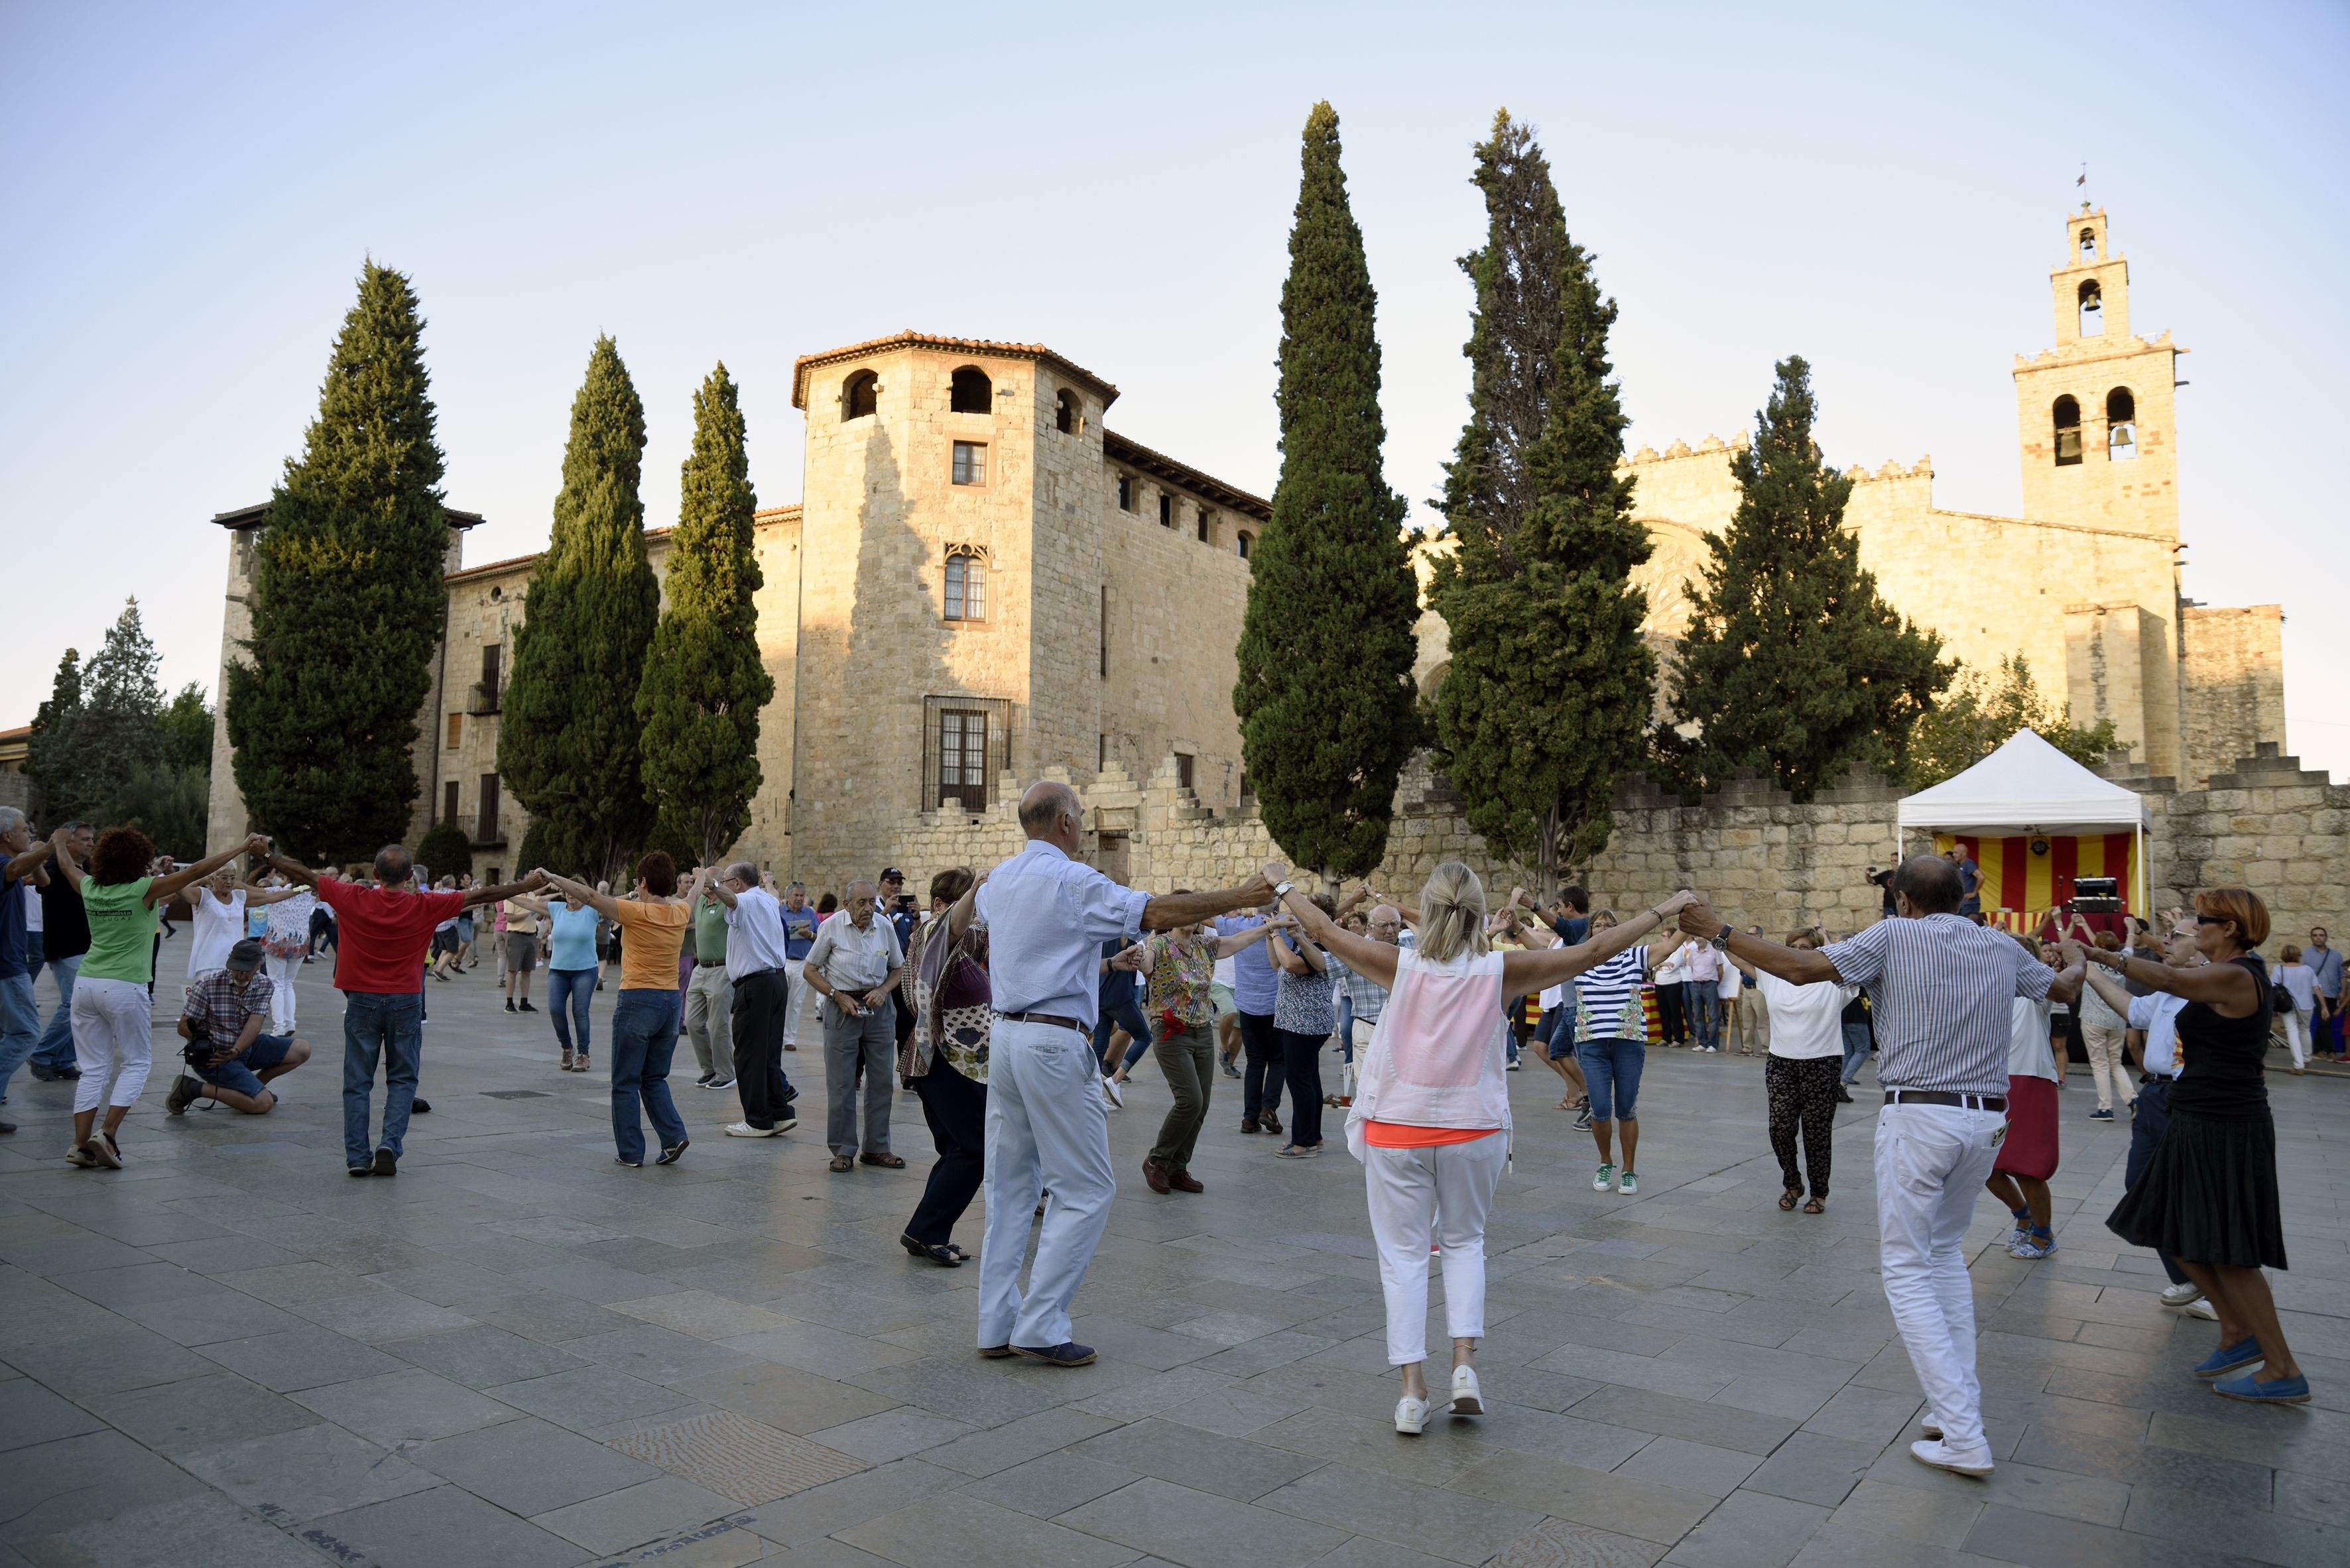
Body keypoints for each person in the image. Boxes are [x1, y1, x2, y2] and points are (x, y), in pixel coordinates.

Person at [1679, 855, 2082, 1477]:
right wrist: (2079, 955)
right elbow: (2063, 987)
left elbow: (1801, 966)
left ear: (1904, 901)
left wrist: (1719, 930)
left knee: (1905, 1269)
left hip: (1921, 1116)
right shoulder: (1997, 945)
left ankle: (1966, 1433)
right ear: (1961, 897)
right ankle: (1956, 1410)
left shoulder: (1893, 935)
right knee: (1944, 1254)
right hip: (1984, 1119)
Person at [1272, 861, 1696, 1433]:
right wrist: (1664, 910)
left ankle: (1412, 1392)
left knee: (1402, 1258)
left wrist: (1282, 885)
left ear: (1427, 909)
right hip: (1473, 1129)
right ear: (1478, 913)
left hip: (1398, 1127)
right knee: (1465, 1243)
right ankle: (1464, 1366)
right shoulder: (1502, 971)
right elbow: (1594, 952)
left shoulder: (1400, 963)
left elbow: (1324, 931)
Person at [973, 782, 1270, 1366]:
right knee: (1084, 1187)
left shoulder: (1001, 879)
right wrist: (1241, 893)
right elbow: (1154, 912)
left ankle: (995, 1321)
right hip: (1055, 1041)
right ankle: (1040, 1322)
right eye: (1079, 818)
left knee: (1009, 1186)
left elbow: (1033, 941)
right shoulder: (1073, 880)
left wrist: (1102, 961)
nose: (1082, 827)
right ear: (1064, 822)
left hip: (1006, 1034)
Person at [2094, 888, 2310, 1403]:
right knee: (2170, 1227)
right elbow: (2164, 988)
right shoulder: (2222, 973)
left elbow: (2169, 977)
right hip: (2196, 1116)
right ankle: (2237, 1333)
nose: (2199, 928)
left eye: (2203, 922)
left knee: (2231, 1251)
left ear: (2230, 928)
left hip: (2224, 1122)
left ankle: (2281, 1367)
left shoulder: (2240, 975)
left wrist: (2102, 954)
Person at [254, 844, 537, 1175]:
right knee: (403, 1079)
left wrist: (269, 856)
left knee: (357, 1081)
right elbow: (481, 895)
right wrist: (524, 886)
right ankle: (389, 1143)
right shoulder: (426, 904)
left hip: (361, 1000)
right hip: (405, 1000)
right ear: (409, 877)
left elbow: (307, 876)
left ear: (375, 875)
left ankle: (358, 1158)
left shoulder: (352, 897)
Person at [46, 828, 270, 1166]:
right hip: (124, 986)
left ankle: (79, 1144)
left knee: (94, 1069)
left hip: (86, 984)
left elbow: (67, 868)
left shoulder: (90, 887)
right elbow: (194, 872)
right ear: (139, 861)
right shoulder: (143, 890)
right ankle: (105, 1134)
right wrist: (241, 847)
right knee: (136, 1063)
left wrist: (59, 843)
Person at [2076, 914, 2213, 1316]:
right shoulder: (2172, 989)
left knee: (2187, 1193)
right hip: (2155, 1095)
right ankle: (2188, 1279)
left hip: (2185, 1096)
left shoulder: (2206, 984)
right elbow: (2134, 1011)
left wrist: (2101, 957)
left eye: (2176, 936)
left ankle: (2212, 1287)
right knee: (2140, 1186)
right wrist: (2089, 972)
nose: (2165, 941)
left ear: (2202, 943)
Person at [1117, 911, 1292, 1195]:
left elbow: (1238, 941)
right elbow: (1147, 962)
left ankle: (1177, 1168)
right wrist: (1139, 956)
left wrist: (1271, 927)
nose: (1192, 917)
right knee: (1190, 1100)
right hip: (1171, 1032)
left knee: (1203, 1105)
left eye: (1196, 912)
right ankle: (1157, 1161)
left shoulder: (1204, 945)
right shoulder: (1159, 946)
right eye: (1188, 910)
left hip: (1201, 1032)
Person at [536, 860, 692, 1166]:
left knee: (625, 1081)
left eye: (636, 882)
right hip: (671, 1003)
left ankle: (631, 1152)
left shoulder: (636, 911)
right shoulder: (679, 912)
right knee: (655, 1076)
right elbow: (694, 896)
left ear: (644, 882)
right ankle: (673, 1137)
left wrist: (555, 877)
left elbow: (591, 897)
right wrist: (700, 880)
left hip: (638, 1000)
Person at [1569, 910, 1692, 1195]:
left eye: (1610, 925)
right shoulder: (1579, 958)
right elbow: (1541, 955)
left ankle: (1628, 1170)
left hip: (1628, 1041)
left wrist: (1690, 924)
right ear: (1590, 932)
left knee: (1626, 1109)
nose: (1603, 929)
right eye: (1597, 925)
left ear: (1620, 930)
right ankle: (1605, 1162)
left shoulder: (1635, 956)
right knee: (1600, 1110)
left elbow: (1669, 947)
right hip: (1591, 1042)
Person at [1733, 928, 1855, 1214]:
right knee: (1780, 1128)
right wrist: (1716, 936)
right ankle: (1793, 1183)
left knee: (1816, 1133)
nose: (1798, 951)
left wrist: (1826, 943)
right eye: (1793, 947)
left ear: (1816, 952)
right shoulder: (1774, 977)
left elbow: (1846, 962)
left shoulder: (1833, 981)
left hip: (1822, 1063)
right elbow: (1739, 959)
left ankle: (1819, 1192)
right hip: (1781, 1062)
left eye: (1805, 947)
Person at [900, 868, 987, 1264]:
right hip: (943, 1059)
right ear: (938, 904)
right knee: (973, 1150)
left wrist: (1106, 965)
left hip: (960, 1062)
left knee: (957, 1149)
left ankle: (925, 1231)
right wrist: (974, 890)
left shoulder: (968, 940)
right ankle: (927, 1231)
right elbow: (953, 925)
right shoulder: (930, 934)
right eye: (963, 901)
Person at [800, 879, 906, 1172]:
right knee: (842, 1082)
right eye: (862, 903)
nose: (868, 908)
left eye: (872, 902)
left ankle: (876, 1148)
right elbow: (810, 970)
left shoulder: (884, 927)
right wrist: (837, 995)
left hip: (878, 1009)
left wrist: (884, 990)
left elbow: (898, 967)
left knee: (883, 1080)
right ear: (847, 905)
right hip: (842, 1007)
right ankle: (843, 1149)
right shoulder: (832, 927)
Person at [692, 862, 797, 1138]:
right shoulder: (767, 899)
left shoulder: (746, 900)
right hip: (776, 981)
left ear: (737, 883)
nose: (723, 885)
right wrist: (770, 883)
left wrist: (710, 882)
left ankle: (757, 1120)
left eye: (727, 880)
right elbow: (773, 895)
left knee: (749, 1055)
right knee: (769, 1054)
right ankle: (780, 1113)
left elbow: (731, 899)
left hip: (756, 985)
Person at [1985, 935, 2067, 1260]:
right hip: (1992, 1082)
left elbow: (2057, 981)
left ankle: (2044, 1235)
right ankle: (2023, 1216)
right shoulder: (1989, 990)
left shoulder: (2037, 991)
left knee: (2027, 1167)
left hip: (2031, 1079)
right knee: (1986, 1165)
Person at [166, 937, 312, 1116]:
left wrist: (236, 1050)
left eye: (246, 971)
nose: (240, 975)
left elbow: (254, 1023)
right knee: (262, 1104)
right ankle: (192, 1088)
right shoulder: (207, 985)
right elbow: (182, 1027)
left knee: (302, 1049)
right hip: (215, 1057)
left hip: (243, 1048)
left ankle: (252, 1089)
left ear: (258, 965)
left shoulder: (264, 985)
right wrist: (201, 1036)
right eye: (236, 969)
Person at [0, 808, 58, 1130]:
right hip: (7, 965)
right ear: (7, 836)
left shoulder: (13, 865)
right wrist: (51, 846)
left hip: (11, 961)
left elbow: (42, 880)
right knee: (24, 1034)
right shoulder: (3, 863)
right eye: (24, 830)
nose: (29, 835)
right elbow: (20, 868)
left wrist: (38, 854)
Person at [24, 821, 95, 1085]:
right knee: (73, 1004)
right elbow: (40, 882)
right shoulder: (55, 867)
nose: (91, 843)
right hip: (65, 946)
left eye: (92, 839)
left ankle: (63, 1059)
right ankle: (42, 1055)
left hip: (85, 946)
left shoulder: (85, 869)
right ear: (68, 843)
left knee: (84, 1006)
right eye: (85, 839)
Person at [1268, 894, 1339, 1157]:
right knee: (1310, 1080)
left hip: (1305, 1023)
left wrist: (1276, 934)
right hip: (1300, 1022)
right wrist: (1270, 934)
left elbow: (1291, 964)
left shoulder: (1320, 945)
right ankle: (1314, 1136)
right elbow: (1276, 963)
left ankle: (1303, 1141)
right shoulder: (1307, 942)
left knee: (1299, 1081)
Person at [1215, 900, 1285, 1136]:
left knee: (1255, 1062)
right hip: (1275, 1004)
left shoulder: (1237, 926)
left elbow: (1210, 919)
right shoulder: (1283, 925)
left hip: (1247, 1004)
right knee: (1278, 1060)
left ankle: (1249, 1118)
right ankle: (1269, 1109)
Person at [515, 887, 601, 1071]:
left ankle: (583, 1055)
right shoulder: (556, 909)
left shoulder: (592, 910)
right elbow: (530, 904)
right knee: (555, 1009)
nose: (570, 895)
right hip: (558, 970)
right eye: (568, 892)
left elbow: (615, 903)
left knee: (580, 1011)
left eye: (575, 891)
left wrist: (634, 895)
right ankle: (567, 1048)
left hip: (585, 970)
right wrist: (507, 894)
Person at [682, 873, 735, 1089]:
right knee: (692, 1023)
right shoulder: (701, 901)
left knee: (718, 1025)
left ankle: (726, 1073)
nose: (701, 884)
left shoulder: (727, 904)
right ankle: (709, 1069)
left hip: (721, 969)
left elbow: (734, 901)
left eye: (705, 880)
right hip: (700, 969)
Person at [2076, 932, 2134, 1118]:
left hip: (2093, 1020)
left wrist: (2063, 924)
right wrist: (2131, 929)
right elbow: (2130, 948)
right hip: (2117, 1020)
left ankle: (2105, 1108)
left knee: (2099, 1064)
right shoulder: (2121, 962)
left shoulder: (2089, 964)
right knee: (2116, 1063)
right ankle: (2132, 1100)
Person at [1091, 935, 1150, 1107]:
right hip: (1120, 998)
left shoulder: (1103, 935)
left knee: (1099, 1051)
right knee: (1145, 1037)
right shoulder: (1125, 934)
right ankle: (1115, 1080)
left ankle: (1092, 1097)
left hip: (1101, 995)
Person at [257, 876, 316, 1035]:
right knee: (289, 984)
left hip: (278, 942)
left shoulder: (277, 891)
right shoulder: (310, 895)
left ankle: (279, 1026)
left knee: (276, 983)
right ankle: (290, 1023)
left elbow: (254, 891)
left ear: (286, 877)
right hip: (300, 943)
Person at [777, 881, 818, 1052]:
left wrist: (809, 934)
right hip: (783, 961)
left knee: (796, 1003)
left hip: (802, 962)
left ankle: (790, 1039)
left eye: (802, 895)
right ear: (788, 896)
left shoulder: (809, 913)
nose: (799, 898)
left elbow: (819, 937)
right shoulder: (779, 912)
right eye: (796, 895)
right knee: (779, 1002)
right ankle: (776, 1036)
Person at [2268, 943, 2316, 1074]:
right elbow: (2316, 987)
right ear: (2298, 955)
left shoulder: (2279, 969)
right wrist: (2323, 1006)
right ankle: (2307, 1058)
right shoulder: (2308, 969)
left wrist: (2273, 1008)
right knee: (2305, 1030)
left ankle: (2298, 1065)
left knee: (2292, 1031)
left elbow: (2273, 989)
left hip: (2287, 1005)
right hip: (2307, 1005)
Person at [2307, 926, 2343, 1060]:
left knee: (2325, 1021)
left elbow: (2342, 974)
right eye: (2315, 935)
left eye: (2321, 935)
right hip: (2315, 993)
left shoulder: (2336, 955)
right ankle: (2330, 1051)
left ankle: (2316, 1049)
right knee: (2325, 1021)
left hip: (2333, 993)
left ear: (2326, 938)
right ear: (2311, 938)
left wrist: (2343, 991)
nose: (2318, 937)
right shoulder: (2306, 955)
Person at [503, 891, 540, 1012]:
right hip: (516, 935)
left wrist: (538, 914)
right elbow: (509, 918)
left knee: (527, 970)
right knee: (513, 970)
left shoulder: (532, 896)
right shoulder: (512, 897)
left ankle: (524, 1002)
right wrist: (528, 913)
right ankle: (509, 1002)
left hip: (531, 935)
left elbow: (535, 917)